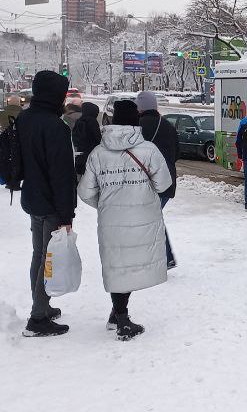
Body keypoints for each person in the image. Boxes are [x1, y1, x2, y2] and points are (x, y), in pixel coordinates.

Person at [79, 100, 173, 340]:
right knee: (131, 266)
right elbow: (163, 184)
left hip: (111, 221)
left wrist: (105, 205)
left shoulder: (98, 153)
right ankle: (122, 320)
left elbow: (85, 192)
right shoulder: (149, 150)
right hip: (143, 218)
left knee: (117, 265)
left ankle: (117, 314)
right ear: (136, 122)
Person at [16, 70, 77, 338]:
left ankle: (41, 305)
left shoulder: (25, 118)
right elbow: (62, 176)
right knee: (47, 259)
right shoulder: (56, 127)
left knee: (39, 255)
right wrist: (67, 214)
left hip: (32, 197)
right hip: (51, 202)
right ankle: (38, 318)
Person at [135, 91, 179, 268]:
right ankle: (164, 257)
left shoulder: (137, 127)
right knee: (152, 217)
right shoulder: (167, 125)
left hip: (146, 182)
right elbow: (177, 154)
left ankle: (162, 257)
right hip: (167, 181)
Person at [72, 101, 102, 176]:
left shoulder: (80, 120)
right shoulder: (92, 121)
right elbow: (97, 137)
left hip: (81, 152)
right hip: (91, 151)